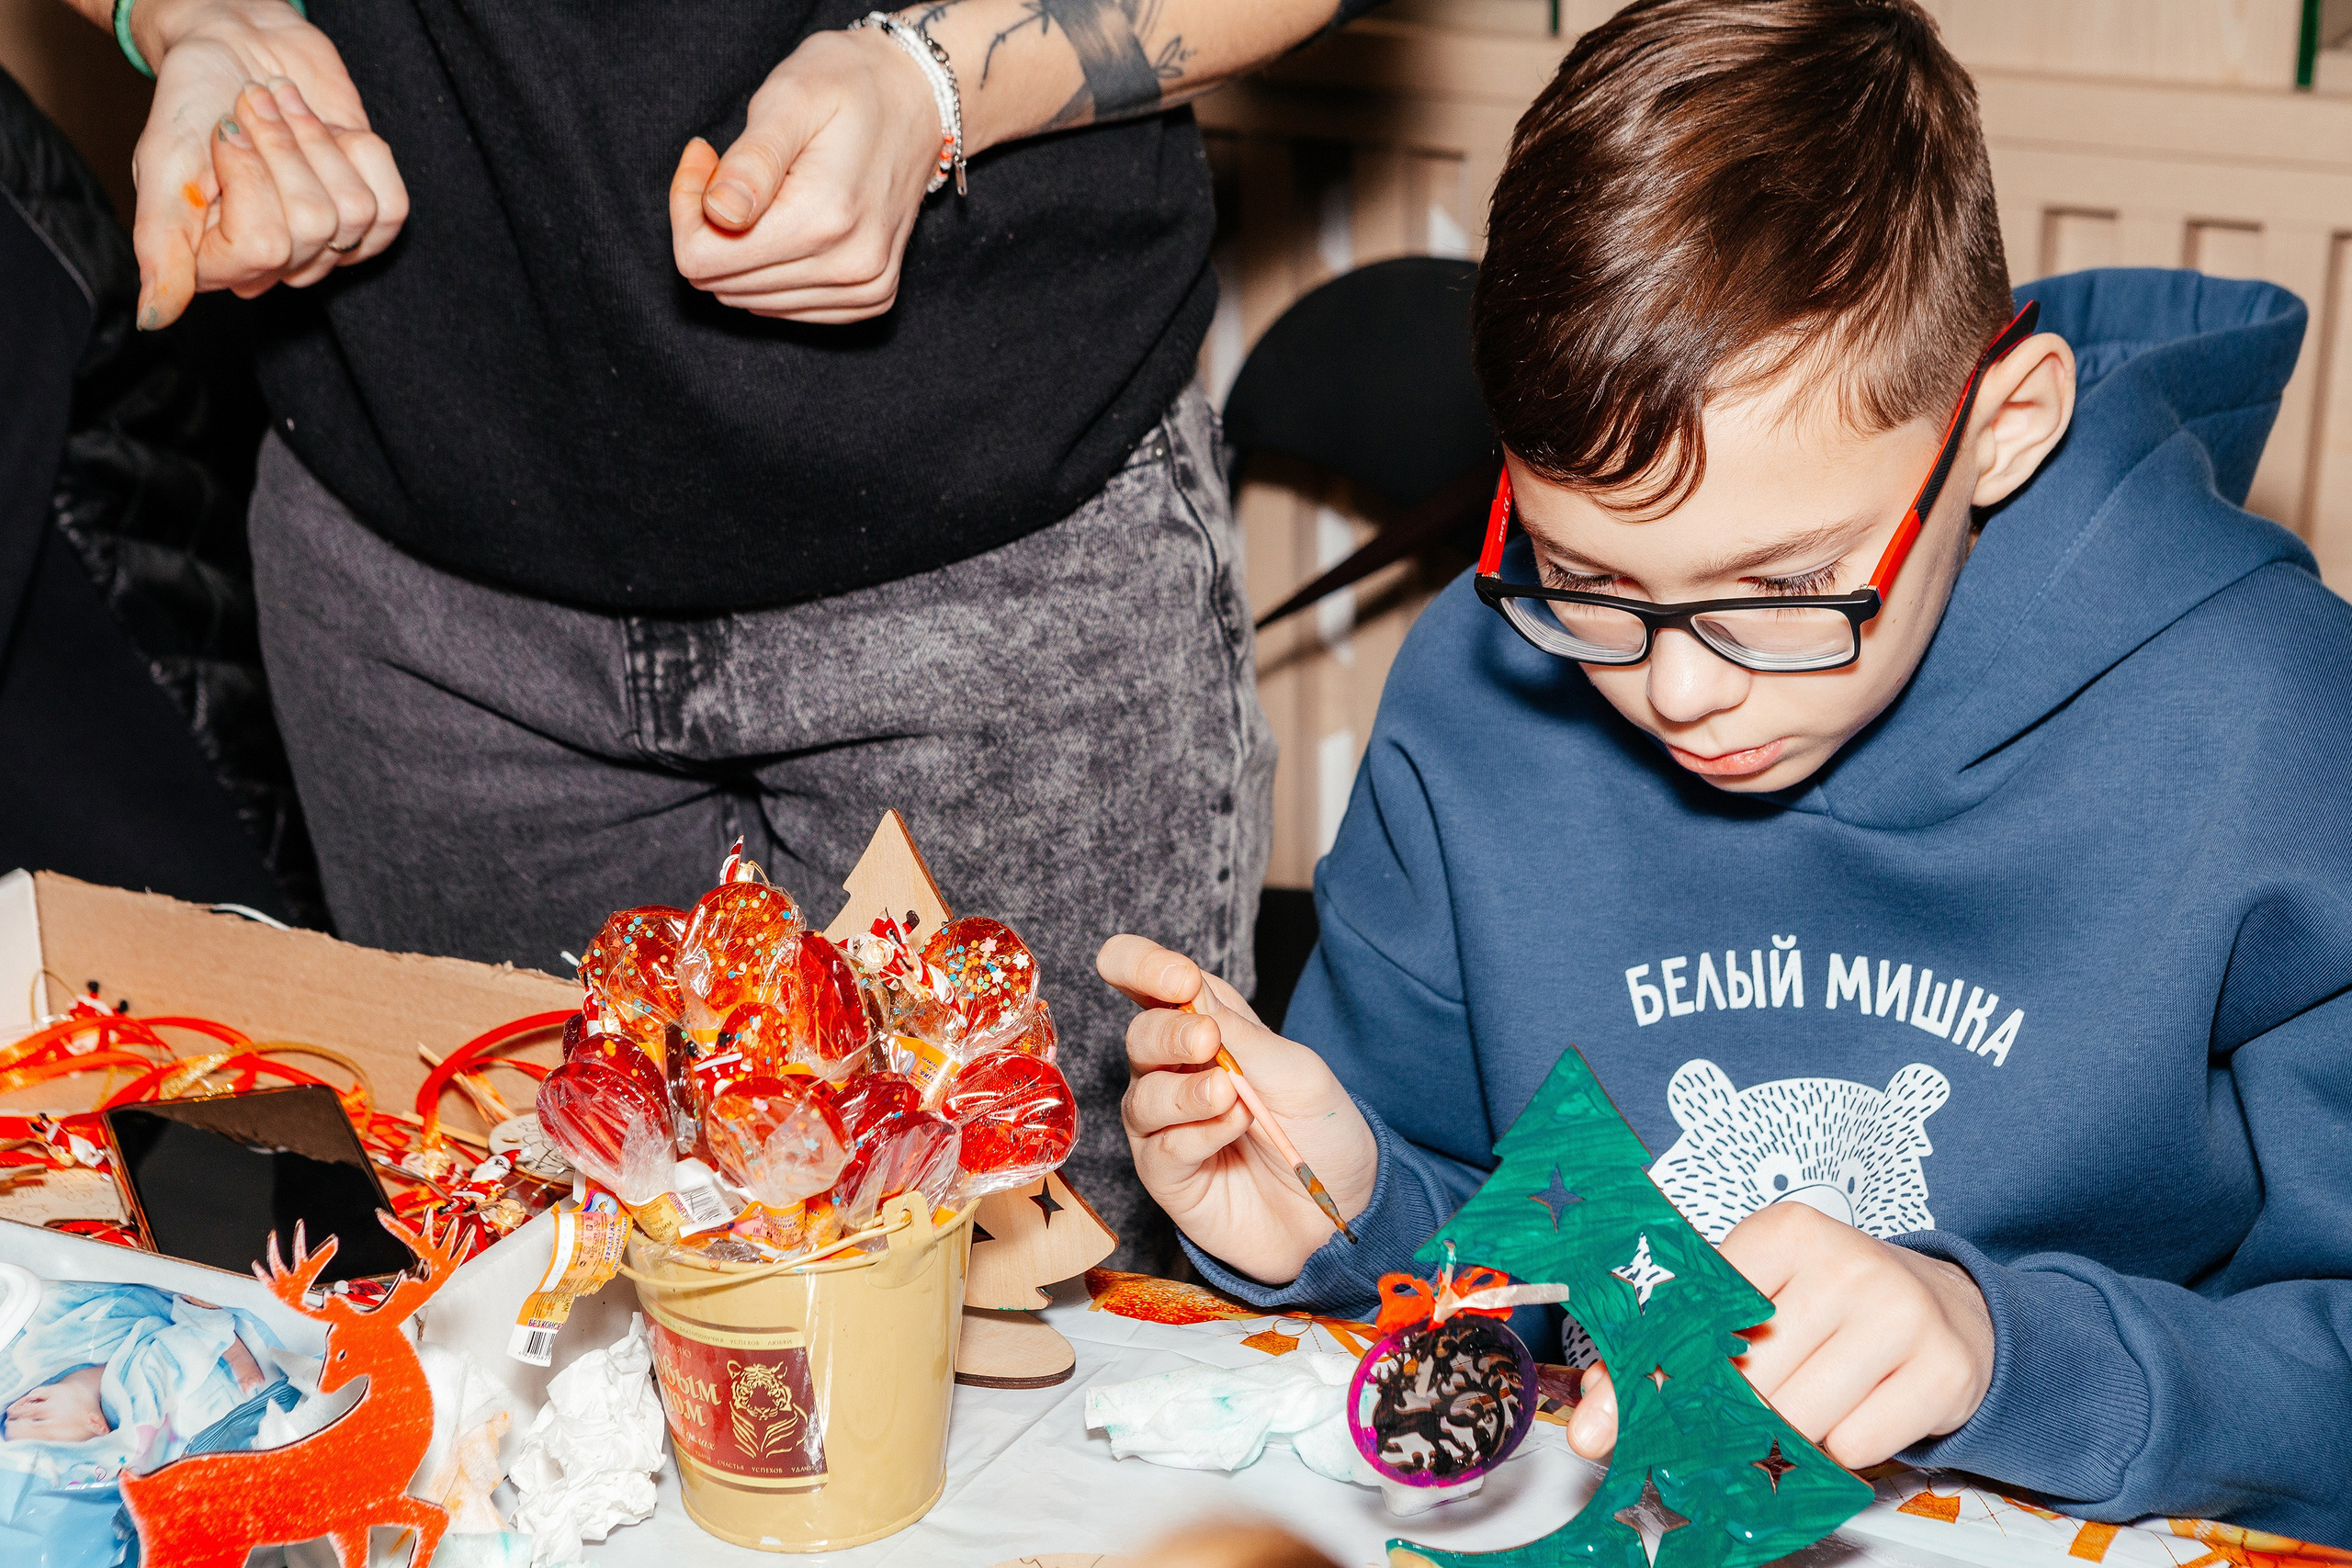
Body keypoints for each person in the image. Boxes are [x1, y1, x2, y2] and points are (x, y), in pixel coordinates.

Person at [1103, 0, 2352, 1542]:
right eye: (1588, 581)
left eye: (1783, 594)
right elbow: (1512, 1277)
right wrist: (1345, 1209)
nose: (1679, 691)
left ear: (2004, 430)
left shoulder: (2274, 720)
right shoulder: (1478, 683)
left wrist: (1998, 1349)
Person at [58, 0, 1384, 1268]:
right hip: (422, 584)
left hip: (993, 569)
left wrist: (937, 85)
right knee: (511, 1359)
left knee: (1055, 1386)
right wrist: (195, 14)